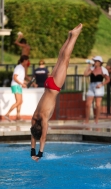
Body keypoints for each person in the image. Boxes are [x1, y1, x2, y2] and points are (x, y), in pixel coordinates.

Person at [30, 23, 83, 161]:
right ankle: (69, 36)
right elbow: (33, 137)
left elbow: (43, 138)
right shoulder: (34, 118)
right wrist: (32, 152)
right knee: (60, 58)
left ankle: (74, 37)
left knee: (65, 59)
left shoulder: (43, 118)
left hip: (54, 87)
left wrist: (40, 154)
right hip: (48, 84)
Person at [83, 56, 110, 125]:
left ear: (99, 62)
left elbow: (108, 79)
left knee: (98, 104)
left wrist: (101, 84)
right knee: (88, 104)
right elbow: (85, 74)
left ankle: (96, 120)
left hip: (99, 86)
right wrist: (88, 65)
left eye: (95, 61)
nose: (94, 62)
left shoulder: (103, 70)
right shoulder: (92, 68)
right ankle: (87, 120)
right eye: (94, 61)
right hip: (91, 86)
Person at [4, 55, 28, 121]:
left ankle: (18, 116)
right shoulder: (19, 67)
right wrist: (22, 84)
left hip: (18, 86)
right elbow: (14, 77)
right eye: (27, 61)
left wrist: (24, 83)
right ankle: (7, 114)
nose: (28, 62)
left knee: (20, 101)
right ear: (25, 60)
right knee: (18, 101)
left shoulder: (22, 68)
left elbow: (20, 78)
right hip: (16, 85)